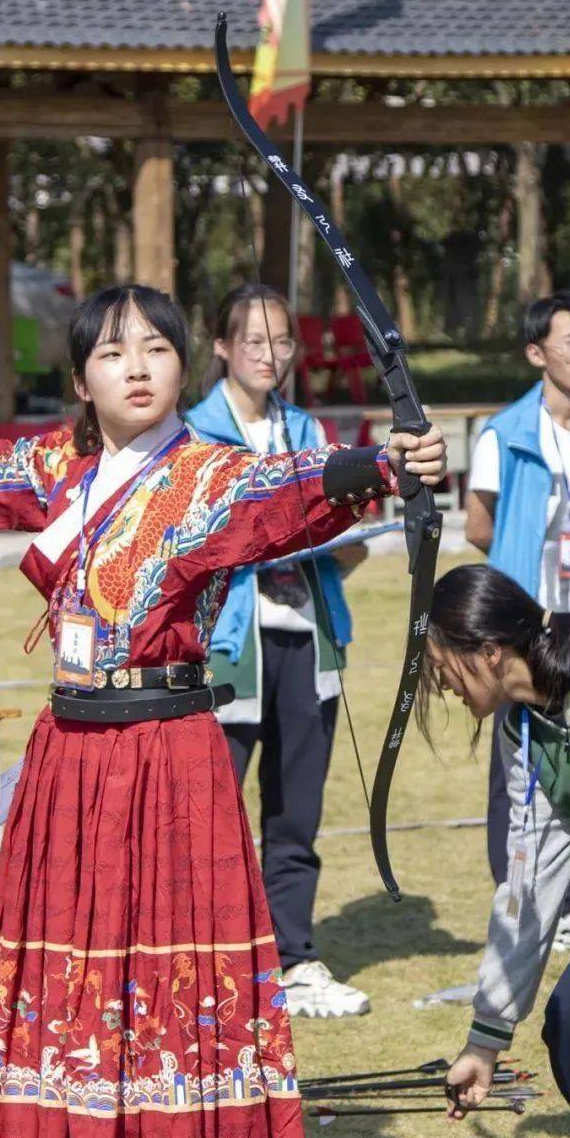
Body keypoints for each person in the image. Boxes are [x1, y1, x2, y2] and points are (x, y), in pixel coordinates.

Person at [0, 284, 446, 1138]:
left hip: (171, 758)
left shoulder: (208, 473)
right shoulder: (61, 464)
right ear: (81, 381)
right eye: (113, 353)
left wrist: (383, 463)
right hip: (71, 759)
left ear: (184, 368)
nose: (137, 367)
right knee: (71, 994)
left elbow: (290, 487)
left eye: (156, 348)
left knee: (195, 998)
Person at [187, 283, 372, 1021]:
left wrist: (345, 535)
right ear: (222, 346)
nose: (271, 356)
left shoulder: (309, 431)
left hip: (306, 637)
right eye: (254, 342)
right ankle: (206, 963)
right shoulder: (195, 435)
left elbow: (342, 538)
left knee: (296, 811)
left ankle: (293, 958)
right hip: (229, 646)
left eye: (283, 342)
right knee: (211, 814)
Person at [418, 563, 570, 1138]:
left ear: (489, 651)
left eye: (442, 664)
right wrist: (486, 1040)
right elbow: (527, 887)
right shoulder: (519, 729)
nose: (442, 685)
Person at [466, 291, 570, 952]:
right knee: (519, 761)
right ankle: (517, 895)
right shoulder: (504, 433)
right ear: (535, 352)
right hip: (528, 626)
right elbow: (480, 526)